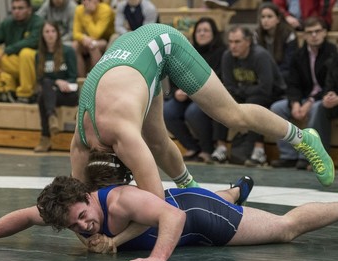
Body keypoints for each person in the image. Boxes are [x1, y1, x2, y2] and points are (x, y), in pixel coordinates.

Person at [70, 23, 334, 209]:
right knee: (158, 141)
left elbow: (156, 206)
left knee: (232, 115)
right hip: (130, 58)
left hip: (162, 45)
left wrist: (113, 238)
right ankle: (191, 187)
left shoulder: (125, 137)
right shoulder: (81, 143)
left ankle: (303, 138)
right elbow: (78, 195)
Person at [0, 175, 338, 261]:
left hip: (200, 218)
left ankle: (230, 199)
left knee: (287, 228)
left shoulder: (120, 200)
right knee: (205, 198)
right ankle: (236, 191)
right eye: (75, 227)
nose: (85, 227)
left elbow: (172, 216)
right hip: (179, 201)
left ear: (87, 196)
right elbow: (25, 217)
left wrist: (159, 256)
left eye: (84, 217)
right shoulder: (67, 211)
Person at [270, 17, 337, 170]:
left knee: (316, 108)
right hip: (302, 98)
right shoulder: (298, 55)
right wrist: (294, 103)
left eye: (317, 31)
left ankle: (310, 157)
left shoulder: (332, 52)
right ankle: (288, 156)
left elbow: (329, 84)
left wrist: (310, 101)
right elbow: (292, 84)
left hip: (323, 98)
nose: (314, 35)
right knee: (277, 108)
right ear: (304, 35)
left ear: (325, 32)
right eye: (309, 32)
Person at [215, 25, 286, 167]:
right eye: (230, 42)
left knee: (255, 102)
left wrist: (242, 90)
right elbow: (229, 86)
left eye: (237, 42)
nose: (233, 46)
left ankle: (258, 150)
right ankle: (221, 148)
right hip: (246, 94)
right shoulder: (227, 56)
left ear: (248, 41)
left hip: (273, 95)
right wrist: (243, 91)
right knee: (219, 102)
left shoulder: (260, 56)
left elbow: (266, 88)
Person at [164, 17, 226, 164]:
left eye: (206, 30)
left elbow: (220, 80)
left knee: (194, 112)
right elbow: (175, 75)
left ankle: (207, 149)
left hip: (208, 96)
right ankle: (191, 147)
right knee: (167, 111)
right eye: (199, 31)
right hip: (186, 95)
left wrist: (194, 91)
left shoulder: (222, 53)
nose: (202, 34)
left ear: (214, 34)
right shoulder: (188, 51)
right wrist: (176, 92)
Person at [0, 0, 44, 103]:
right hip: (15, 63)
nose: (16, 11)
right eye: (14, 8)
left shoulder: (38, 22)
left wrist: (6, 51)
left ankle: (26, 94)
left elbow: (31, 41)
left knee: (26, 53)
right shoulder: (8, 23)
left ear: (29, 10)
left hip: (35, 65)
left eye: (20, 8)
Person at [33, 21, 79, 153]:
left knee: (44, 95)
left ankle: (45, 138)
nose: (50, 35)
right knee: (45, 88)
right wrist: (56, 82)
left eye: (53, 31)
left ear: (58, 34)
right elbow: (40, 79)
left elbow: (73, 76)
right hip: (50, 94)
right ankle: (51, 116)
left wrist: (61, 83)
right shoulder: (39, 55)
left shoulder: (68, 51)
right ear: (42, 35)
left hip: (67, 94)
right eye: (47, 32)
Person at [254, 2, 298, 81]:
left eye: (269, 17)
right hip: (263, 74)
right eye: (263, 17)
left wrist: (271, 75)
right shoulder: (257, 35)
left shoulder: (289, 35)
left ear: (278, 19)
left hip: (283, 74)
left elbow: (289, 63)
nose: (265, 20)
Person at [72, 0, 115, 77]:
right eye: (84, 0)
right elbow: (75, 33)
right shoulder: (79, 9)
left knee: (92, 45)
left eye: (89, 0)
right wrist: (83, 38)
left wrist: (87, 15)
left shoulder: (105, 10)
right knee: (74, 46)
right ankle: (81, 80)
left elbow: (96, 34)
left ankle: (96, 78)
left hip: (105, 40)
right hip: (87, 39)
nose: (86, 3)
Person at [272, 0, 337, 31]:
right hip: (290, 22)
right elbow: (277, 5)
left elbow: (325, 6)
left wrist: (314, 21)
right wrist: (286, 16)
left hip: (316, 21)